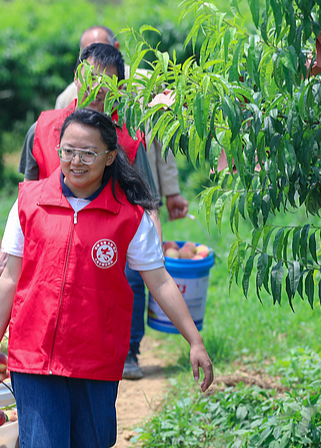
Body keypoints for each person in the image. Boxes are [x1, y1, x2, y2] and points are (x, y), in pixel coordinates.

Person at [0, 109, 213, 448]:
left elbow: (160, 282)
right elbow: (10, 279)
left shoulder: (129, 215)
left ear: (110, 156)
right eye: (68, 151)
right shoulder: (29, 202)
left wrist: (194, 340)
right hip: (35, 356)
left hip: (97, 358)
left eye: (88, 153)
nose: (76, 162)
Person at [56, 26, 190, 379]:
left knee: (134, 276)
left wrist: (166, 196)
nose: (98, 85)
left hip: (127, 199)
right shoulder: (65, 101)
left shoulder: (138, 94)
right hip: (78, 211)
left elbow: (159, 144)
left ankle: (129, 350)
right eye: (89, 56)